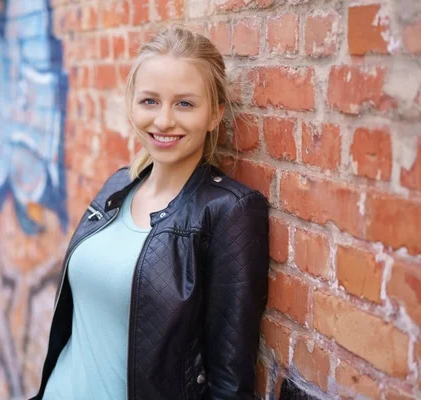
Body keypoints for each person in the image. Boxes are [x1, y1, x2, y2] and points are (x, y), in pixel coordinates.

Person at [32, 25, 270, 400]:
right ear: (131, 105)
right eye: (149, 101)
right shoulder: (116, 187)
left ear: (214, 115)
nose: (163, 121)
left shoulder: (229, 213)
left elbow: (230, 382)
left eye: (185, 104)